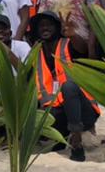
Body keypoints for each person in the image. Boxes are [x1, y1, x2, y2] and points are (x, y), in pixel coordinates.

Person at [31, 11, 99, 162]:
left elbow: (82, 49)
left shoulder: (68, 44)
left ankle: (76, 142)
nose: (45, 28)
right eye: (41, 25)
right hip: (57, 111)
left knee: (68, 87)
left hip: (83, 112)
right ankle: (60, 138)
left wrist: (73, 35)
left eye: (49, 24)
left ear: (57, 27)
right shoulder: (37, 51)